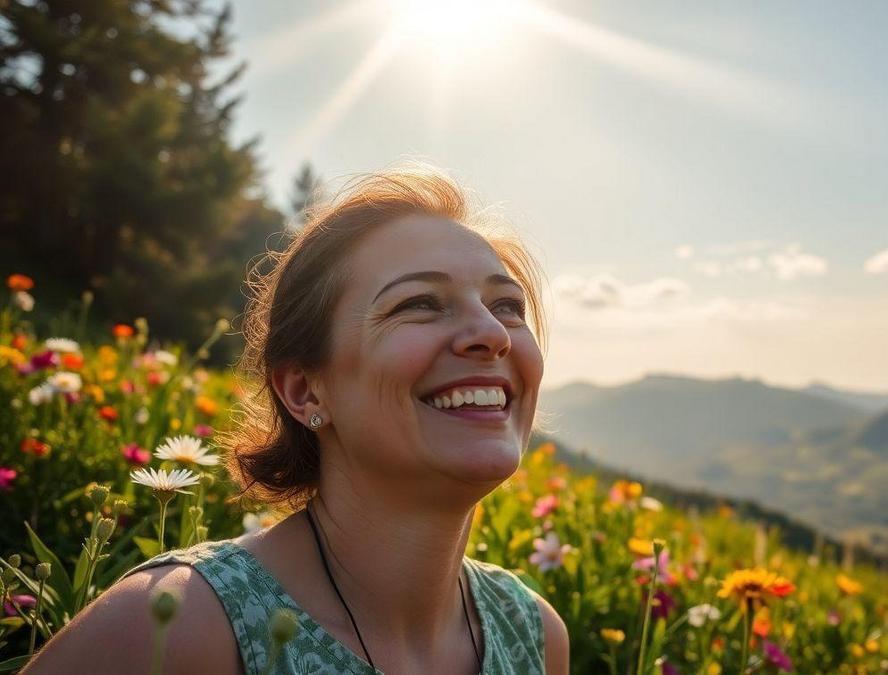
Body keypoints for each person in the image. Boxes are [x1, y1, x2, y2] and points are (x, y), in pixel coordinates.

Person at [25, 163, 569, 674]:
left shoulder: (534, 636)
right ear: (305, 390)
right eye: (420, 303)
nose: (494, 334)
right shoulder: (177, 622)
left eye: (507, 306)